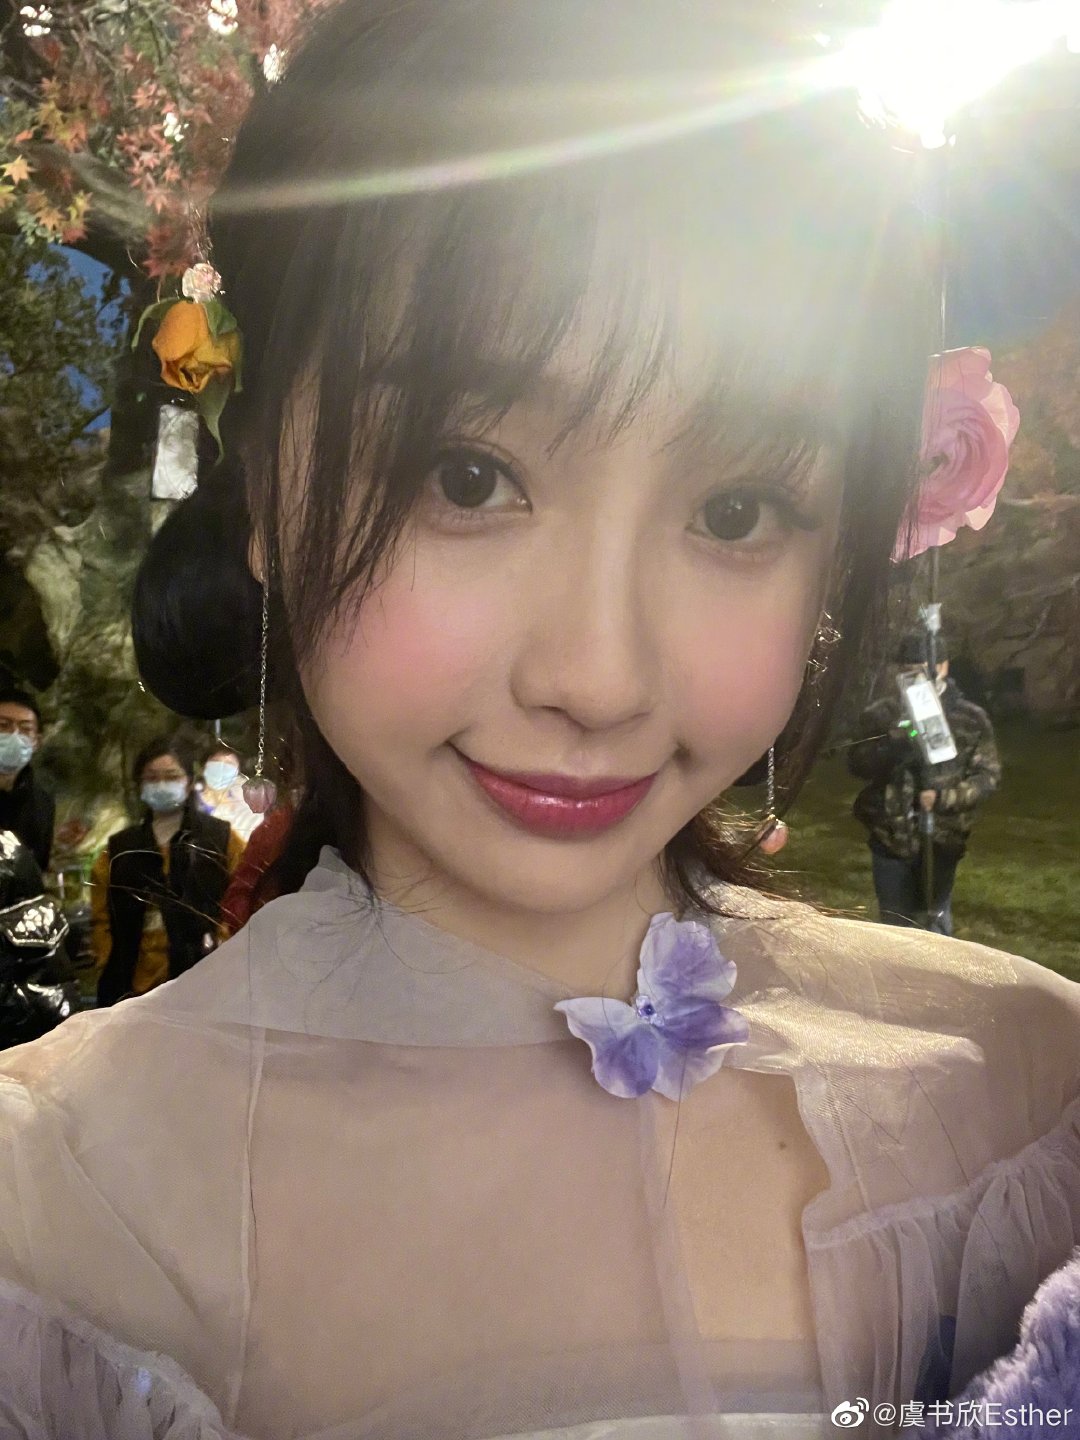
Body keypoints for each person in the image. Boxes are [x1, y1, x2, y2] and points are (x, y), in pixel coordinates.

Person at [0, 6, 1076, 1439]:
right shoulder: (53, 1211)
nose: (599, 676)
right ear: (261, 482)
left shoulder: (1019, 1101)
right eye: (467, 476)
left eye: (737, 510)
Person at [848, 633, 1002, 936]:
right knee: (896, 928)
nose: (913, 678)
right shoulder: (881, 715)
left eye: (919, 669)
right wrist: (892, 744)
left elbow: (988, 775)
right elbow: (857, 764)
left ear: (942, 667)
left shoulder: (970, 718)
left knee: (935, 925)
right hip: (891, 838)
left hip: (942, 840)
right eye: (906, 670)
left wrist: (945, 798)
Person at [89, 736, 244, 1005]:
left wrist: (226, 950)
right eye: (152, 778)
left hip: (207, 983)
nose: (162, 785)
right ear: (140, 784)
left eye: (171, 776)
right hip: (133, 989)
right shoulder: (119, 849)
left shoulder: (221, 839)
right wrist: (108, 960)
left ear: (189, 781)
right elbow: (101, 918)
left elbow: (243, 901)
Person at [0, 687, 54, 872]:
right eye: (3, 725)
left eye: (25, 729)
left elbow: (37, 869)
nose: (14, 735)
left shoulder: (42, 803)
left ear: (36, 741)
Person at [196, 742, 264, 843]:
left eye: (229, 764)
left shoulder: (247, 807)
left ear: (237, 773)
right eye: (216, 761)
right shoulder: (191, 802)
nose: (222, 768)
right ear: (203, 767)